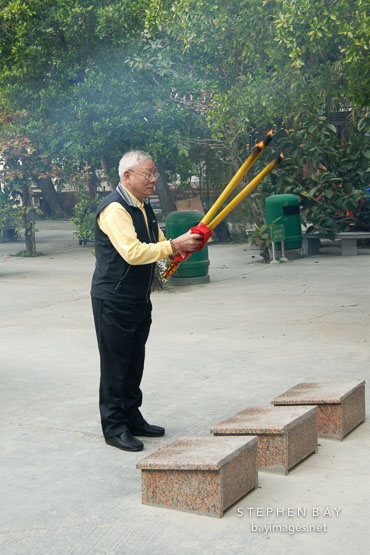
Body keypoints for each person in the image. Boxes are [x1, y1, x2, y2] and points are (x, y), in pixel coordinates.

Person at [91, 150, 203, 452]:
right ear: (127, 176)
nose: (154, 179)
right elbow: (133, 252)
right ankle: (114, 427)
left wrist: (179, 247)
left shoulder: (141, 205)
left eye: (155, 173)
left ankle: (132, 417)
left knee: (134, 361)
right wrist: (172, 245)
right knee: (115, 365)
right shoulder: (115, 209)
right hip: (113, 298)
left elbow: (154, 241)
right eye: (148, 174)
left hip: (138, 297)